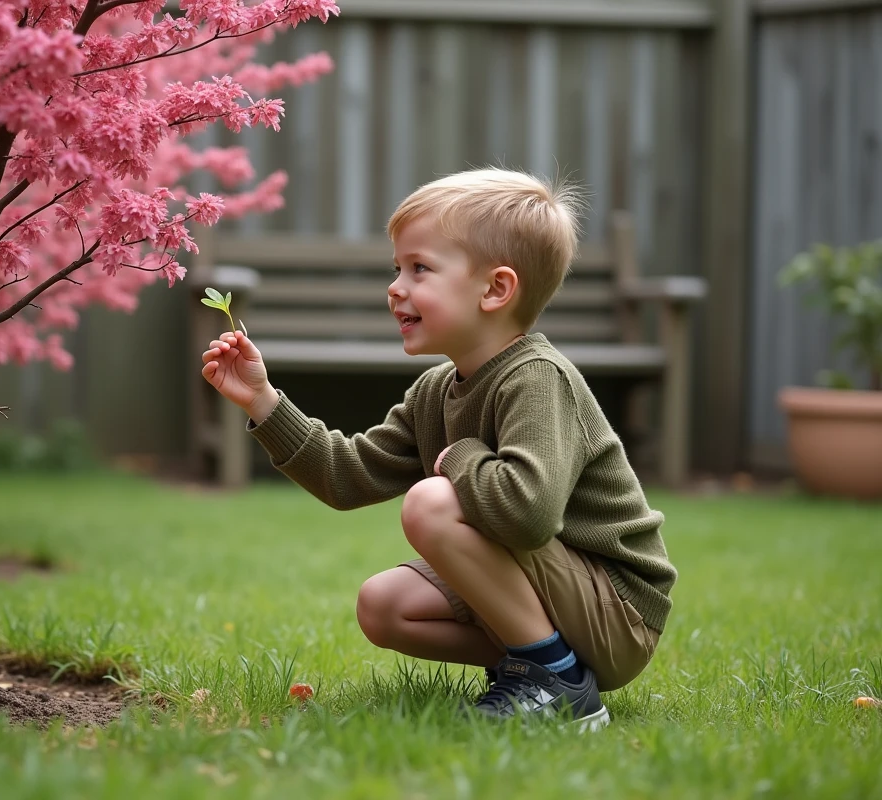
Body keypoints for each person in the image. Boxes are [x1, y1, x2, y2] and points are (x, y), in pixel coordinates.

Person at [199, 168, 677, 729]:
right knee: (384, 606)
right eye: (396, 269)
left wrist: (460, 456)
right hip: (559, 597)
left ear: (495, 289)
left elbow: (529, 515)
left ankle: (558, 681)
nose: (396, 287)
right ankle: (541, 667)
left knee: (431, 502)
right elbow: (345, 475)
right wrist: (262, 402)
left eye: (419, 268)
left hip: (618, 609)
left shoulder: (538, 378)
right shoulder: (436, 392)